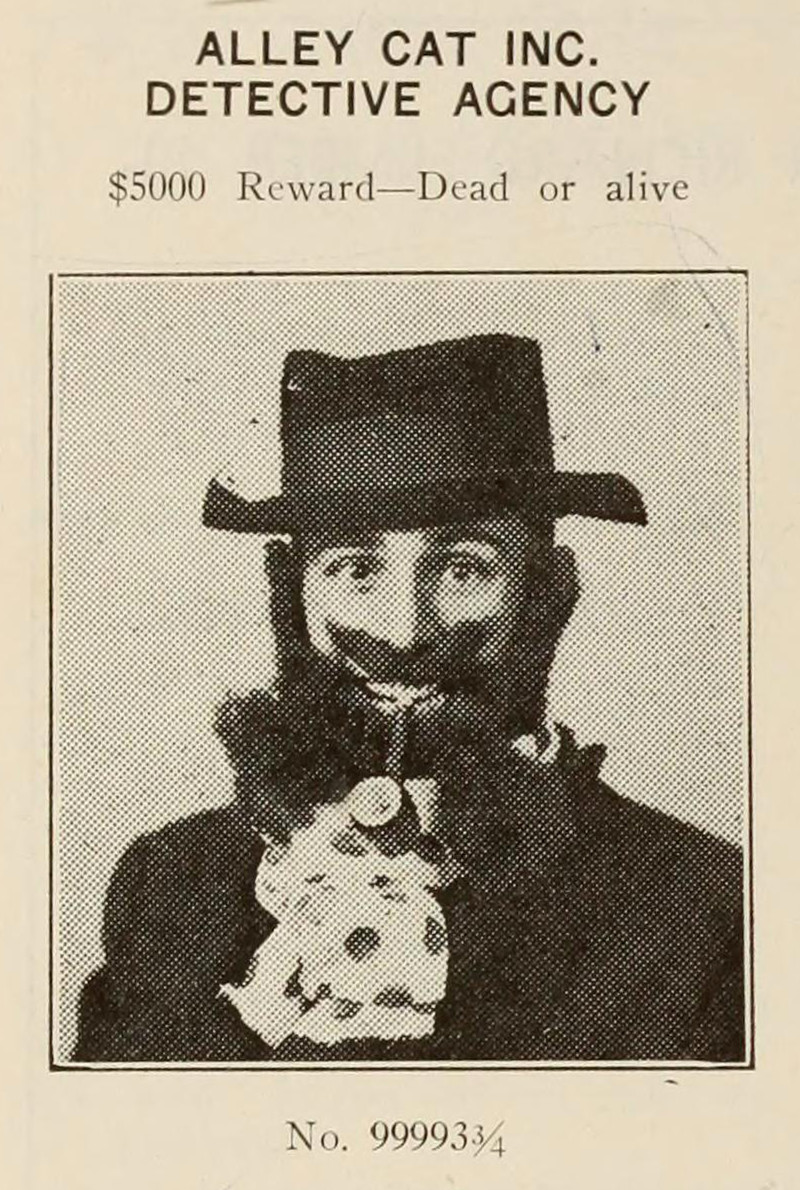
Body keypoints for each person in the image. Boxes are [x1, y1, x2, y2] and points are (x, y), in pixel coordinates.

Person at [74, 333, 745, 1063]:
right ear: (290, 596)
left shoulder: (704, 904)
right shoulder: (169, 880)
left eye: (462, 568)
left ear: (549, 591)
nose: (403, 630)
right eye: (356, 568)